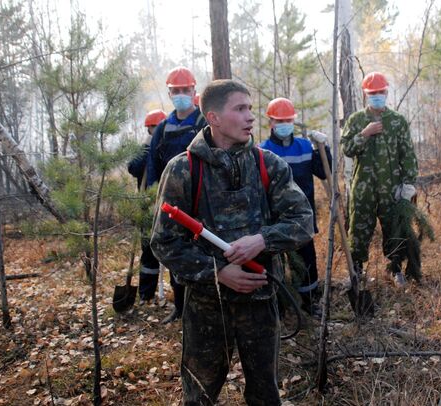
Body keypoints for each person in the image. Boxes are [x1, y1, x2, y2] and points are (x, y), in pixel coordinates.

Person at [151, 80, 314, 405]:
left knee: (265, 395)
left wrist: (262, 240)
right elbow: (164, 242)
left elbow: (303, 222)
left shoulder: (268, 165)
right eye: (240, 109)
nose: (250, 117)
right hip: (207, 309)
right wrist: (219, 271)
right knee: (199, 396)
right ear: (213, 117)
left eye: (250, 108)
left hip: (260, 302)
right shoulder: (183, 169)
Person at [341, 71, 419, 287]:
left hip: (390, 188)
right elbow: (346, 149)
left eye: (380, 92)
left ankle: (395, 269)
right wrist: (364, 134)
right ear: (366, 94)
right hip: (363, 188)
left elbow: (408, 154)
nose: (377, 95)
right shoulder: (356, 120)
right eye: (372, 93)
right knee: (358, 229)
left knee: (393, 229)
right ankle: (356, 271)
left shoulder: (397, 121)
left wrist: (408, 184)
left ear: (386, 92)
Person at [147, 67, 207, 323]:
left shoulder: (204, 122)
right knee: (176, 254)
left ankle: (204, 305)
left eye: (186, 90)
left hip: (203, 199)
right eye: (177, 91)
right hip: (172, 204)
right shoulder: (163, 128)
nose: (181, 95)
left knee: (204, 251)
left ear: (194, 91)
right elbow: (152, 165)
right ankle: (180, 306)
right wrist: (153, 197)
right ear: (170, 94)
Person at [260, 97, 330, 315]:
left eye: (288, 120)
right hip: (275, 216)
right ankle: (279, 304)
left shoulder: (305, 146)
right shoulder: (262, 150)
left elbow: (323, 171)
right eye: (279, 120)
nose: (284, 124)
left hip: (303, 215)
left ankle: (309, 302)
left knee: (307, 258)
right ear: (271, 122)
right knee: (275, 261)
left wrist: (322, 149)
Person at [127, 109, 167, 303]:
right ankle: (145, 294)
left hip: (168, 206)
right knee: (148, 252)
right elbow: (132, 168)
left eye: (158, 126)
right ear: (149, 129)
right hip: (147, 206)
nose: (155, 130)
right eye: (153, 127)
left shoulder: (168, 145)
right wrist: (146, 150)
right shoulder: (144, 148)